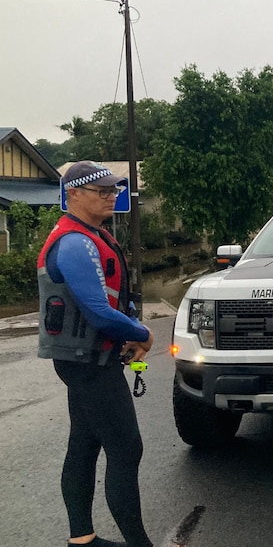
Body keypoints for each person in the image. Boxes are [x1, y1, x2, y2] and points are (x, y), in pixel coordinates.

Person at [37, 161, 155, 547]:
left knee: (84, 444)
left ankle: (81, 538)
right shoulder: (73, 243)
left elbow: (116, 300)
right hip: (87, 364)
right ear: (73, 194)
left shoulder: (91, 235)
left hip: (89, 359)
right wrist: (143, 333)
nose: (112, 196)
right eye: (102, 191)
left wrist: (132, 326)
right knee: (126, 448)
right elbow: (97, 311)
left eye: (114, 191)